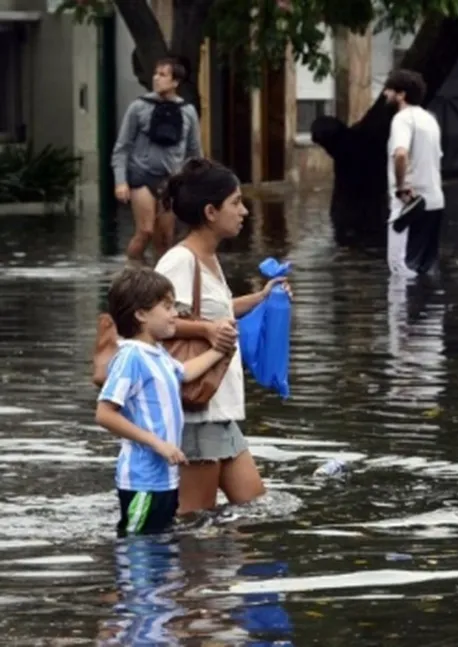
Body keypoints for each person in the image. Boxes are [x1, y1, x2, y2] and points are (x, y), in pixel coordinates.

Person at [154, 158, 290, 515]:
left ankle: (222, 570)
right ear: (211, 211)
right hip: (199, 413)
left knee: (255, 507)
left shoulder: (208, 259)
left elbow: (219, 310)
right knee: (194, 519)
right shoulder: (178, 261)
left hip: (220, 408)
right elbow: (155, 324)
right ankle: (183, 571)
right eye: (236, 203)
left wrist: (262, 297)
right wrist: (207, 330)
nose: (244, 211)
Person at [94, 267, 231, 535]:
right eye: (167, 307)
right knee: (137, 547)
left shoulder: (156, 353)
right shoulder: (130, 357)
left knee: (159, 547)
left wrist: (220, 351)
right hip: (142, 480)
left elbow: (185, 372)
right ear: (141, 314)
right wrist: (158, 444)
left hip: (163, 479)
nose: (175, 315)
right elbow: (105, 413)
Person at [111, 57, 203, 265]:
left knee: (165, 239)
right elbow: (122, 147)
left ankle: (159, 282)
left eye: (163, 75)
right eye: (156, 73)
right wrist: (120, 181)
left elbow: (194, 152)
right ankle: (132, 273)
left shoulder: (187, 111)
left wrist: (197, 183)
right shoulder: (138, 107)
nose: (156, 78)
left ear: (175, 82)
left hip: (170, 180)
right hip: (141, 176)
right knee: (145, 230)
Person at [383, 69, 445, 278]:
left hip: (410, 205)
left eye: (389, 90)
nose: (385, 94)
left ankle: (402, 312)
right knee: (426, 271)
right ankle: (430, 309)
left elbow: (400, 154)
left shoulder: (402, 119)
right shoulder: (430, 119)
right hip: (435, 203)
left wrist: (401, 189)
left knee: (401, 271)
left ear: (401, 95)